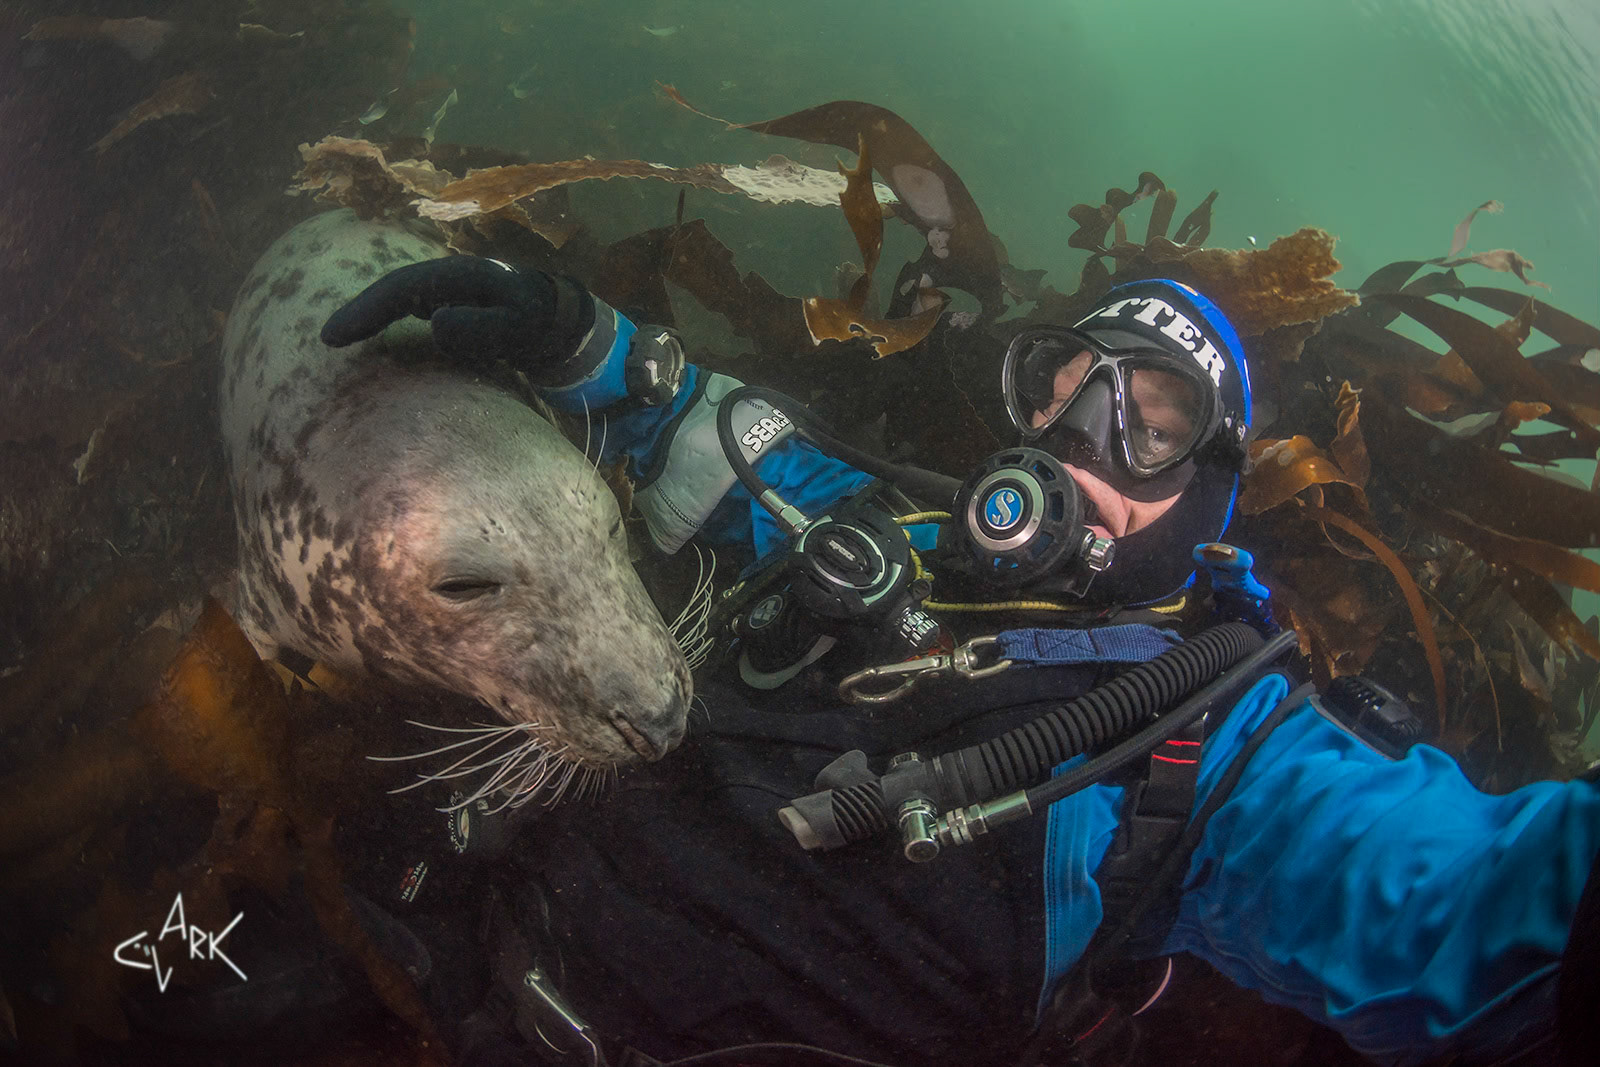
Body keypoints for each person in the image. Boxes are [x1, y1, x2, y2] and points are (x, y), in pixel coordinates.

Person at [321, 257, 1600, 1067]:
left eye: (1151, 420)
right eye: (1066, 384)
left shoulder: (1218, 753)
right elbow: (718, 437)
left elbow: (1478, 910)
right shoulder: (893, 533)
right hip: (461, 970)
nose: (1081, 433)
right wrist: (585, 342)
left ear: (1207, 492)